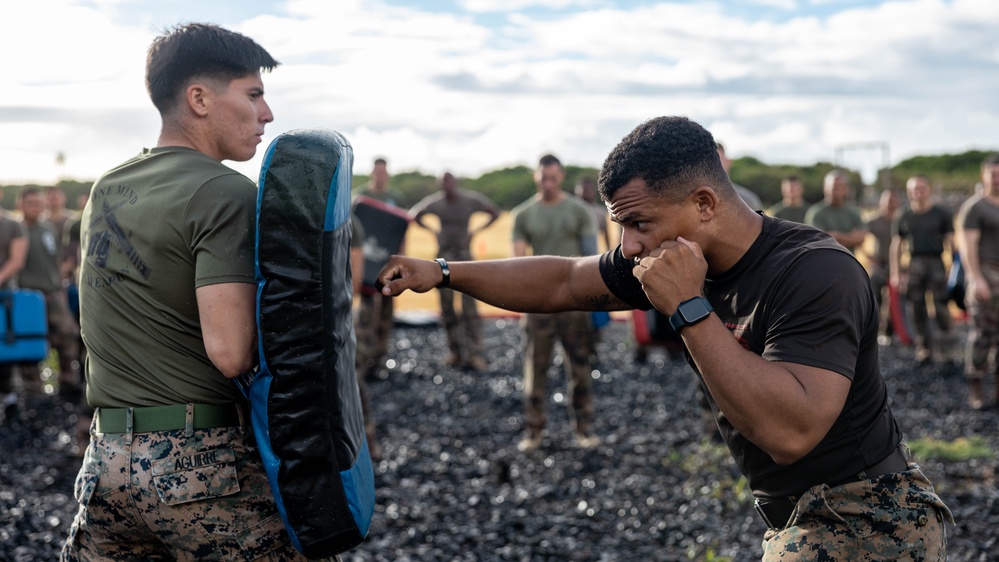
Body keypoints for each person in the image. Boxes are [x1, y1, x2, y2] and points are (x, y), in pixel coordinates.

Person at [377, 116, 952, 560]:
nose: (627, 245)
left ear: (704, 204)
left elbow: (791, 432)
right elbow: (563, 281)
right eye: (620, 224)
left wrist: (687, 309)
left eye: (638, 223)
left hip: (867, 518)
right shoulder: (671, 253)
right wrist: (446, 272)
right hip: (793, 511)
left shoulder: (815, 271)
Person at [60, 23, 334, 561]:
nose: (267, 113)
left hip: (106, 460)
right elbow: (230, 353)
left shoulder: (107, 187)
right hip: (198, 464)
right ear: (200, 98)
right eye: (253, 94)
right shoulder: (224, 191)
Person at [510, 154, 600, 452]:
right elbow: (518, 263)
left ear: (560, 177)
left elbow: (591, 259)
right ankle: (534, 431)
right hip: (538, 305)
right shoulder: (524, 215)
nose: (547, 183)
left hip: (573, 304)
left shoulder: (579, 211)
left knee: (579, 368)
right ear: (536, 178)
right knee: (535, 368)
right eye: (542, 178)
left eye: (552, 177)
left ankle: (583, 429)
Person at [410, 172, 500, 371]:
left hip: (465, 256)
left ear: (455, 182)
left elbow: (494, 212)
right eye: (443, 182)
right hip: (444, 257)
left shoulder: (470, 200)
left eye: (450, 181)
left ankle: (475, 354)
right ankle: (456, 352)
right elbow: (415, 215)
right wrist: (433, 231)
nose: (447, 185)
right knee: (447, 307)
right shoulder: (436, 203)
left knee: (470, 306)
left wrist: (475, 232)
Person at [17, 187, 81, 401]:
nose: (36, 207)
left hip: (53, 292)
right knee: (31, 339)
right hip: (27, 296)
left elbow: (56, 262)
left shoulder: (49, 229)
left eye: (39, 203)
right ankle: (33, 388)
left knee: (68, 335)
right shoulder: (17, 230)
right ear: (21, 205)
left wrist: (60, 290)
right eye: (31, 203)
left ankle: (68, 381)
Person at [891, 176, 957, 366]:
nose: (918, 192)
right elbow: (896, 245)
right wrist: (896, 273)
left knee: (941, 307)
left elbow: (952, 242)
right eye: (913, 189)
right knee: (916, 308)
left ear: (929, 189)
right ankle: (924, 349)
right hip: (914, 264)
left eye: (921, 187)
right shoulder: (903, 215)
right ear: (909, 192)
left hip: (936, 262)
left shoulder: (942, 213)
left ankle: (946, 351)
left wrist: (954, 270)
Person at [353, 158, 404, 381]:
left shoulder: (396, 199)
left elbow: (401, 232)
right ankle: (362, 361)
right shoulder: (360, 198)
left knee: (385, 314)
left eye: (384, 171)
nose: (380, 175)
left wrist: (402, 262)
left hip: (389, 264)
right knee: (366, 317)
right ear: (372, 172)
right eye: (377, 171)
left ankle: (379, 362)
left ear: (387, 174)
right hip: (366, 266)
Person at [956, 154, 999, 411]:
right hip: (986, 275)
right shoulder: (976, 207)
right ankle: (976, 388)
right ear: (984, 176)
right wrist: (975, 279)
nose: (997, 178)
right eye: (992, 174)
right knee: (982, 335)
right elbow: (967, 246)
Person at [0, 188, 27, 423]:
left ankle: (10, 399)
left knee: (6, 347)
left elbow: (17, 259)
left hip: (5, 296)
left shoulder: (12, 224)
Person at [867, 189, 901, 345]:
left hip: (899, 264)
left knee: (896, 297)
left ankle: (894, 330)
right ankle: (874, 329)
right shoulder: (874, 221)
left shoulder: (901, 219)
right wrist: (869, 255)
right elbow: (861, 237)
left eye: (893, 200)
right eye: (887, 200)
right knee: (874, 295)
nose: (890, 203)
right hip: (880, 264)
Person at [804, 169, 867, 253]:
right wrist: (849, 237)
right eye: (834, 186)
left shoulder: (853, 212)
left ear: (846, 189)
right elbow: (818, 241)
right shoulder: (815, 213)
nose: (837, 190)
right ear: (825, 188)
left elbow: (860, 238)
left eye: (840, 186)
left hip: (849, 262)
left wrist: (835, 236)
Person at [716, 142, 762, 211]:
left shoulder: (748, 201)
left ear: (728, 162)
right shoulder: (695, 202)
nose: (712, 166)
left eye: (717, 160)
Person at [575, 176, 612, 251]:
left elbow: (605, 234)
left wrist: (608, 251)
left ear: (593, 191)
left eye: (587, 189)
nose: (584, 192)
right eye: (582, 189)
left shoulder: (600, 212)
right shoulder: (571, 210)